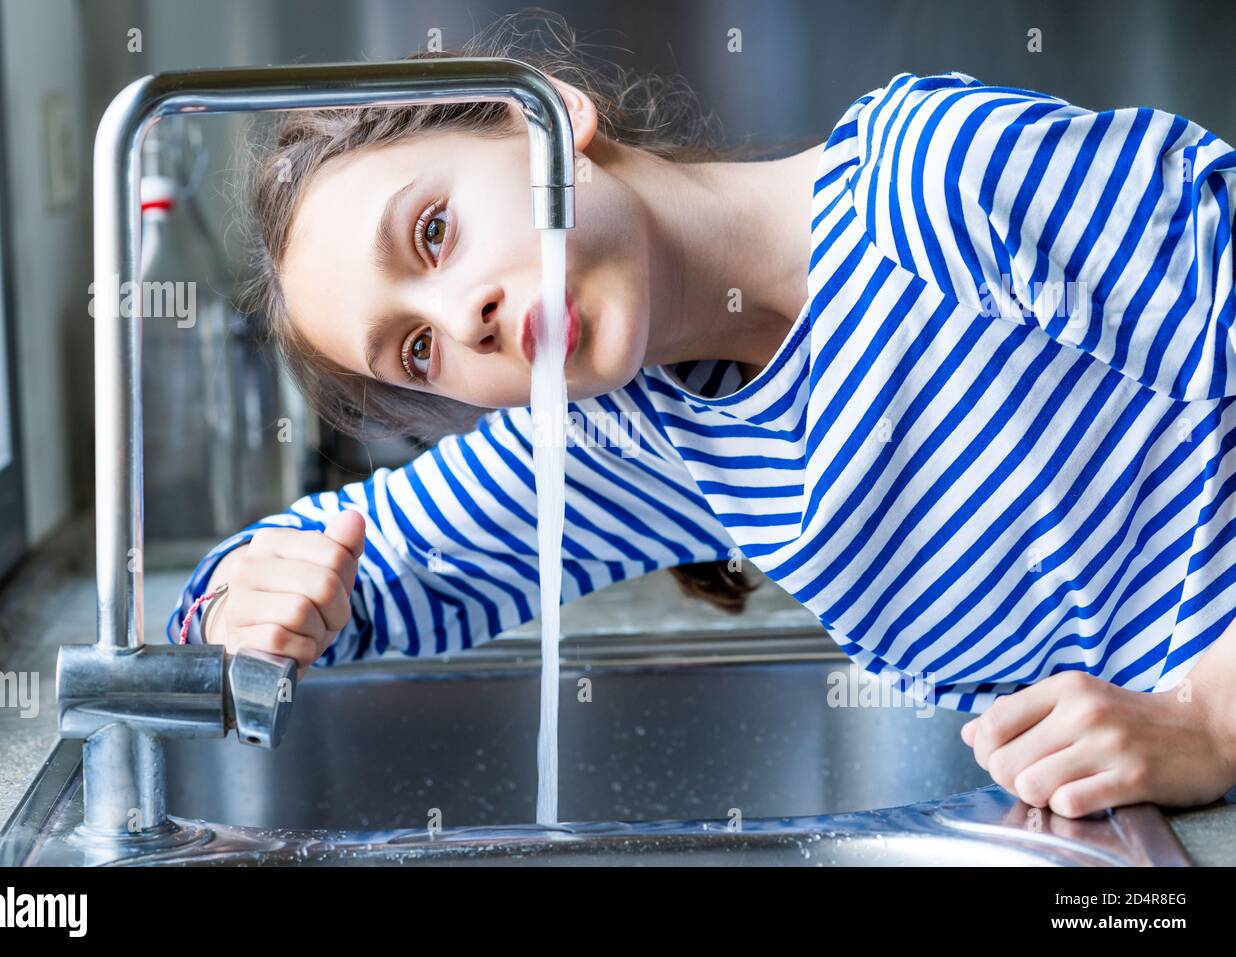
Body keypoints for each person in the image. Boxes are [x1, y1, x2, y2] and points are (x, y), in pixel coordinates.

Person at [168, 16, 1236, 817]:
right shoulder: (642, 437)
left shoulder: (941, 182)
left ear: (545, 116)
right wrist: (241, 606)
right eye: (415, 350)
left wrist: (1210, 726)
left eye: (435, 230)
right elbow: (366, 572)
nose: (463, 317)